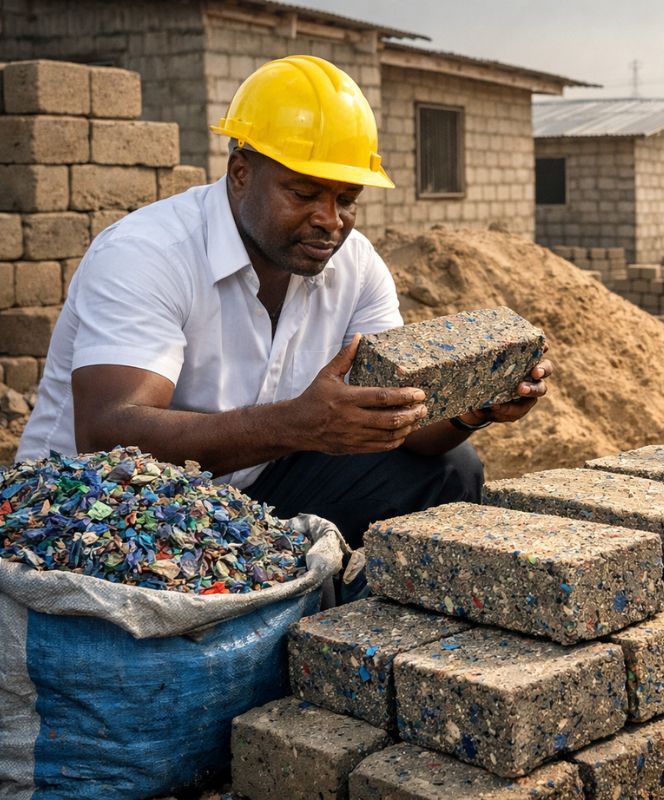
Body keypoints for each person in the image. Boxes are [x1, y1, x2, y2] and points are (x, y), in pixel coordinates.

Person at [16, 55, 553, 552]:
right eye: (304, 193)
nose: (330, 220)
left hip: (251, 489)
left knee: (450, 468)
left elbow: (398, 420)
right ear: (241, 173)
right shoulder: (147, 253)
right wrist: (297, 425)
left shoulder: (355, 264)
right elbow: (108, 437)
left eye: (347, 199)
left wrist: (472, 410)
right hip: (96, 510)